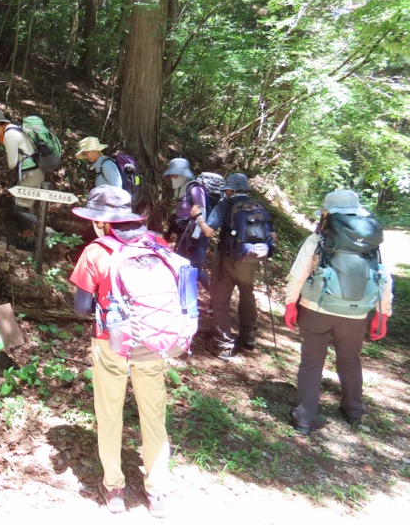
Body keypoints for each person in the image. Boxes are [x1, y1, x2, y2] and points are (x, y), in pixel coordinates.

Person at [69, 185, 170, 518]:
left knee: (110, 412)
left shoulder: (96, 252)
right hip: (153, 341)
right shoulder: (158, 243)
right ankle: (157, 492)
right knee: (153, 415)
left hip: (109, 341)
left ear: (101, 222)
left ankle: (114, 487)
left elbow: (82, 308)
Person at [283, 190, 393, 435]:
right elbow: (382, 277)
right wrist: (382, 313)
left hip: (316, 309)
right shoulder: (370, 241)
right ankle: (354, 411)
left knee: (312, 363)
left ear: (327, 213)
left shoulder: (319, 238)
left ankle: (304, 419)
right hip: (356, 314)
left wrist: (291, 304)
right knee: (350, 361)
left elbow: (299, 273)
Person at [190, 173, 274, 360]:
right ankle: (248, 338)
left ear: (229, 190)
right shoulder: (258, 206)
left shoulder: (225, 204)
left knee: (220, 299)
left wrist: (198, 217)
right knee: (247, 294)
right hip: (251, 260)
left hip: (228, 258)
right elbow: (272, 236)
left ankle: (224, 344)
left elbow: (208, 232)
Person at [0, 107, 46, 242]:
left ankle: (48, 232)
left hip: (31, 173)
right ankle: (30, 240)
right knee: (23, 208)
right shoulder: (15, 129)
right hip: (33, 172)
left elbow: (12, 163)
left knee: (20, 209)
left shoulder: (9, 135)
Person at [163, 158, 210, 290]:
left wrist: (196, 234)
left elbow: (202, 211)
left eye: (175, 175)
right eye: (171, 175)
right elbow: (180, 209)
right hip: (184, 233)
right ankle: (181, 293)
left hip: (196, 235)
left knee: (195, 268)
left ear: (184, 175)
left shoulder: (195, 188)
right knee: (181, 263)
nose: (172, 178)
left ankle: (215, 295)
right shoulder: (179, 188)